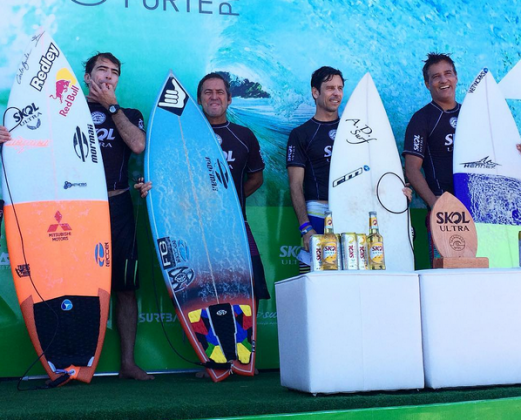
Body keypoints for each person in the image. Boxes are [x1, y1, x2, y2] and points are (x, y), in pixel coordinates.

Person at [136, 72, 270, 307]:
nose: (214, 97)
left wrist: (228, 202)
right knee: (203, 291)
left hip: (235, 226)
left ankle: (249, 342)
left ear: (229, 99)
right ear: (198, 100)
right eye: (208, 92)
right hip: (193, 231)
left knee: (249, 288)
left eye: (220, 92)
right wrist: (149, 187)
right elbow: (163, 178)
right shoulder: (180, 138)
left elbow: (256, 178)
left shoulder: (243, 136)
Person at [84, 52, 153, 380]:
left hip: (119, 206)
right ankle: (80, 362)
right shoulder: (66, 112)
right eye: (102, 70)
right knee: (80, 286)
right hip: (79, 210)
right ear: (87, 76)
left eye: (114, 72)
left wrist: (112, 107)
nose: (108, 76)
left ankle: (127, 363)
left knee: (125, 288)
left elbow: (138, 145)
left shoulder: (130, 114)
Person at [286, 66, 345, 272]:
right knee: (313, 284)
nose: (336, 93)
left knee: (351, 283)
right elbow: (295, 185)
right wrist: (305, 227)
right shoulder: (301, 134)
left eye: (339, 88)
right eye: (330, 88)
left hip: (350, 213)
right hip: (317, 214)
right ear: (315, 92)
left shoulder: (354, 130)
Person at [402, 53, 460, 263]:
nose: (443, 80)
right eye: (436, 77)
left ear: (456, 77)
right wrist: (435, 204)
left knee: (480, 276)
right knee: (446, 278)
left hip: (476, 213)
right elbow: (411, 169)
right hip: (444, 216)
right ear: (427, 84)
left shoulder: (472, 114)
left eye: (448, 74)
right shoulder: (422, 119)